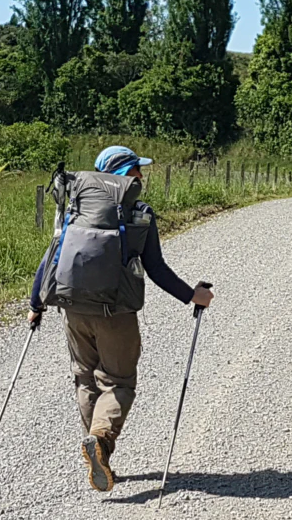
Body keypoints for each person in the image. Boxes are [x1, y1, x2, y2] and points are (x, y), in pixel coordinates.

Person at [28, 146, 214, 492]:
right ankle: (100, 440)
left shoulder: (76, 208)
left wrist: (35, 302)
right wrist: (194, 295)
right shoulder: (139, 212)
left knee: (86, 381)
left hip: (71, 308)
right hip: (115, 312)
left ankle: (100, 454)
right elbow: (156, 268)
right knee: (118, 382)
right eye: (137, 170)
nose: (141, 176)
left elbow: (51, 255)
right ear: (124, 174)